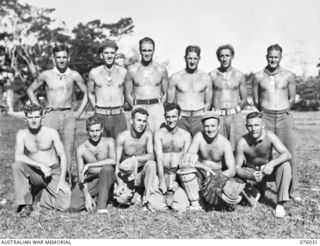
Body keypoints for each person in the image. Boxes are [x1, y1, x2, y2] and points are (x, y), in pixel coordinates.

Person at [27, 44, 88, 179]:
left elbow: (87, 93)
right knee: (48, 148)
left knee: (68, 150)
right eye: (58, 57)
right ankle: (47, 183)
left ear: (69, 57)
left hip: (68, 115)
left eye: (64, 57)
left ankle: (66, 182)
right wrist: (39, 110)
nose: (61, 60)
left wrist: (78, 112)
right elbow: (30, 90)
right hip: (50, 114)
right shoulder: (46, 75)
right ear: (53, 58)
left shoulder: (74, 75)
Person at [252, 44, 300, 201]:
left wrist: (283, 109)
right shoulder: (258, 76)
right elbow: (256, 100)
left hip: (283, 116)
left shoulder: (289, 75)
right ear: (266, 56)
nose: (273, 59)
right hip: (265, 116)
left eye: (276, 57)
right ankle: (260, 189)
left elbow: (292, 97)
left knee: (289, 153)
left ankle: (294, 191)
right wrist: (266, 112)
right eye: (270, 56)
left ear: (281, 57)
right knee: (262, 154)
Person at [12, 104, 71, 217]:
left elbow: (63, 156)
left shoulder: (51, 132)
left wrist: (62, 180)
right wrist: (40, 166)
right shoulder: (22, 134)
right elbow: (18, 156)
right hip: (35, 172)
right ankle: (25, 204)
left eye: (36, 117)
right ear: (25, 119)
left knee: (65, 205)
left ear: (42, 117)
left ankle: (39, 196)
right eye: (30, 117)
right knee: (17, 166)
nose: (34, 120)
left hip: (52, 173)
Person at [235, 112, 292, 218]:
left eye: (256, 125)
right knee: (246, 193)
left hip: (267, 170)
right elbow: (237, 167)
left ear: (263, 125)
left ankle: (280, 204)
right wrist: (250, 175)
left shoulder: (269, 135)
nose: (253, 129)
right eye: (250, 126)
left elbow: (287, 154)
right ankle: (252, 191)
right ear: (246, 126)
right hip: (251, 172)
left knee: (285, 165)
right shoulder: (242, 142)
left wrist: (271, 163)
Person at [178, 111, 236, 210]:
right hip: (202, 173)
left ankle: (219, 202)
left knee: (232, 187)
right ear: (203, 127)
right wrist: (203, 167)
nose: (210, 129)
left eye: (213, 126)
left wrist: (216, 178)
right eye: (207, 126)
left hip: (217, 175)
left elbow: (232, 170)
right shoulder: (199, 137)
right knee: (185, 171)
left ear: (218, 126)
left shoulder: (224, 143)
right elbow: (188, 160)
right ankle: (196, 203)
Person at [69, 116, 116, 213]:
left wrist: (90, 165)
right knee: (74, 206)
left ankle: (102, 206)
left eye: (97, 130)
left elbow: (114, 161)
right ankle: (96, 198)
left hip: (108, 179)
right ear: (87, 130)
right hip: (92, 181)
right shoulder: (82, 148)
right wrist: (86, 196)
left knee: (107, 169)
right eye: (92, 131)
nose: (95, 134)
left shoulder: (109, 142)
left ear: (102, 129)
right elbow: (81, 176)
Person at [150, 103, 191, 211]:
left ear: (179, 117)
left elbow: (185, 162)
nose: (171, 120)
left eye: (174, 116)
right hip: (162, 174)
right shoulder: (159, 134)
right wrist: (162, 181)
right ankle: (159, 195)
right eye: (168, 117)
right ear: (164, 117)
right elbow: (159, 158)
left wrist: (177, 182)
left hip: (177, 175)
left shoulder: (186, 135)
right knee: (156, 207)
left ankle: (175, 196)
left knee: (180, 207)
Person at [114, 107, 158, 208]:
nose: (141, 124)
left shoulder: (148, 134)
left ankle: (147, 196)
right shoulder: (122, 137)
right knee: (122, 200)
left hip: (140, 175)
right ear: (131, 121)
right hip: (126, 176)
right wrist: (120, 184)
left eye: (144, 121)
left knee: (151, 164)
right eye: (138, 120)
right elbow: (116, 165)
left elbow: (152, 156)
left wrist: (134, 159)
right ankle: (135, 193)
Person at [167, 45, 212, 137]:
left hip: (199, 119)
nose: (192, 61)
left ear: (199, 59)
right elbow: (170, 103)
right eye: (189, 58)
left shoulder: (206, 78)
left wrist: (203, 117)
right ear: (185, 58)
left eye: (195, 58)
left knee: (199, 148)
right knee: (181, 147)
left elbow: (208, 103)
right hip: (181, 119)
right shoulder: (176, 77)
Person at [125, 37, 169, 131]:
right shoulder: (132, 70)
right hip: (138, 107)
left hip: (156, 109)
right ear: (140, 51)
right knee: (139, 140)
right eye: (144, 50)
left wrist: (160, 107)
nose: (147, 53)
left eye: (150, 50)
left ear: (154, 50)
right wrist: (135, 107)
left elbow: (166, 93)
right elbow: (127, 93)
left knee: (157, 138)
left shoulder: (161, 70)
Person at [209, 44, 247, 149]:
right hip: (218, 115)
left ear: (232, 56)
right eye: (222, 56)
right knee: (218, 147)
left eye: (227, 55)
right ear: (218, 58)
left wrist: (236, 110)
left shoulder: (239, 75)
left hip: (235, 116)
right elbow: (208, 99)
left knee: (238, 147)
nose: (224, 58)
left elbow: (244, 100)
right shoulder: (212, 75)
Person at [87, 40, 127, 139]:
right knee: (101, 150)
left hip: (118, 115)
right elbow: (90, 93)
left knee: (120, 148)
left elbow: (128, 93)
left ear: (115, 55)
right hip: (100, 115)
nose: (109, 56)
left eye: (112, 53)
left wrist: (122, 105)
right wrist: (96, 109)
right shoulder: (94, 73)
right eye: (106, 53)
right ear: (101, 55)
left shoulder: (123, 72)